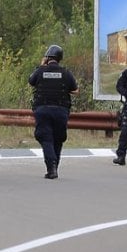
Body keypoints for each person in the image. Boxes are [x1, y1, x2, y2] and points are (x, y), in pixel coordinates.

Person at [28, 45, 79, 179]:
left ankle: (51, 168)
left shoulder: (40, 71)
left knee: (46, 138)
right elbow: (76, 90)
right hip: (61, 111)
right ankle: (55, 166)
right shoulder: (66, 73)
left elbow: (31, 81)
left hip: (42, 110)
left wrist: (40, 66)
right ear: (60, 58)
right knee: (58, 139)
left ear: (47, 58)